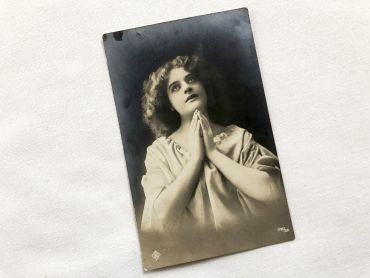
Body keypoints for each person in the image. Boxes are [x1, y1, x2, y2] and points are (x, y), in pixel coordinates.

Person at [140, 55, 291, 246]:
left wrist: (213, 153)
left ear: (204, 87)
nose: (187, 87)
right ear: (169, 103)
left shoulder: (239, 137)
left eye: (191, 79)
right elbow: (161, 219)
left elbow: (274, 193)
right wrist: (195, 159)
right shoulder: (159, 152)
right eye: (175, 87)